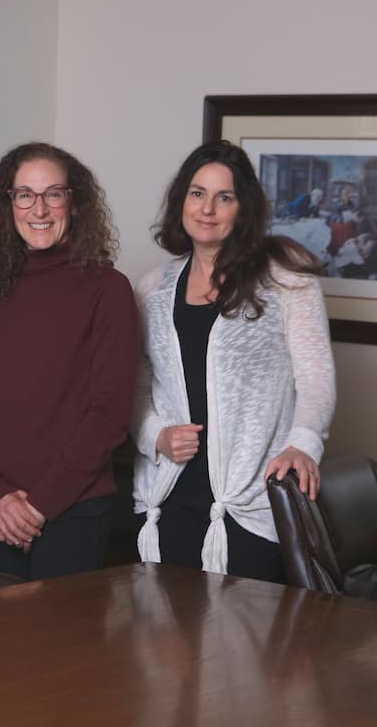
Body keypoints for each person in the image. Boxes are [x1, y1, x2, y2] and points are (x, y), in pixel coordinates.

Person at [132, 140, 336, 582]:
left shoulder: (286, 275)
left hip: (251, 499)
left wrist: (303, 443)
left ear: (243, 208)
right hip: (170, 494)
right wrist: (155, 434)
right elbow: (137, 382)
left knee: (246, 642)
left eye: (224, 197)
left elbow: (316, 375)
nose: (208, 209)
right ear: (181, 201)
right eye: (197, 193)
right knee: (166, 641)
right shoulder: (153, 286)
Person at [0, 142, 138, 581]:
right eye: (24, 194)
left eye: (53, 194)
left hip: (72, 509)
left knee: (66, 650)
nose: (38, 209)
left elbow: (109, 416)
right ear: (8, 205)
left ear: (74, 203)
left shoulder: (109, 290)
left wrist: (37, 506)